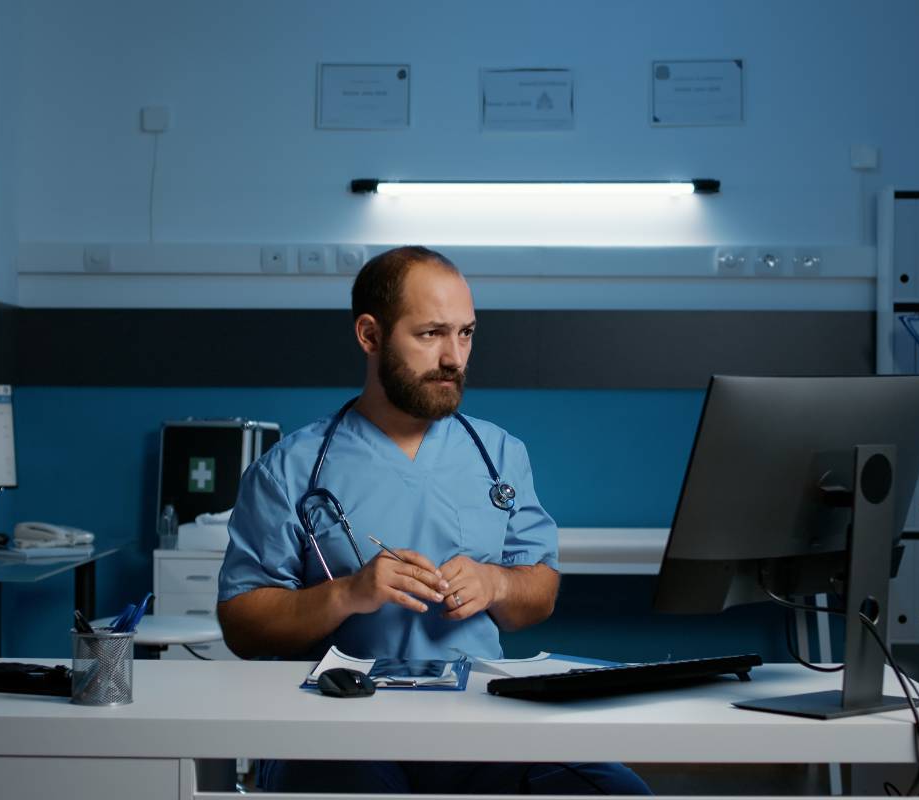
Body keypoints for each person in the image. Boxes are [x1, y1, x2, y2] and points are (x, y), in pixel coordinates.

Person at [217, 246, 651, 795]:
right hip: (338, 726)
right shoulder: (290, 469)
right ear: (370, 336)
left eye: (466, 334)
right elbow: (242, 624)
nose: (454, 357)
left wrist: (497, 583)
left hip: (479, 723)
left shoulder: (499, 454)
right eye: (431, 334)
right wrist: (347, 593)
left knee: (615, 792)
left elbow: (539, 592)